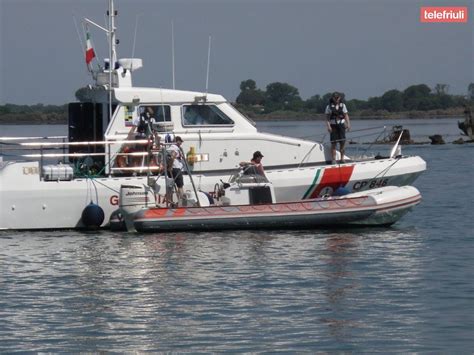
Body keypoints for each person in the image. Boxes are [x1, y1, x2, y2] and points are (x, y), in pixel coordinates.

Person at [325, 92, 351, 164]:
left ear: (339, 98)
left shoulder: (343, 105)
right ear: (332, 98)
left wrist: (348, 124)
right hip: (333, 126)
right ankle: (334, 159)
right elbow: (327, 118)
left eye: (337, 97)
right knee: (333, 143)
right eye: (335, 98)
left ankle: (342, 159)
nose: (336, 99)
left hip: (341, 125)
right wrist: (328, 126)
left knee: (342, 142)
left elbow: (346, 115)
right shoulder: (328, 107)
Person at [166, 136, 185, 201]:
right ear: (177, 141)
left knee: (171, 185)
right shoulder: (175, 148)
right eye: (180, 141)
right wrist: (171, 166)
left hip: (170, 169)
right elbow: (172, 157)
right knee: (180, 186)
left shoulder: (169, 148)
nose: (181, 143)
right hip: (176, 168)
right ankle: (182, 201)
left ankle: (170, 201)